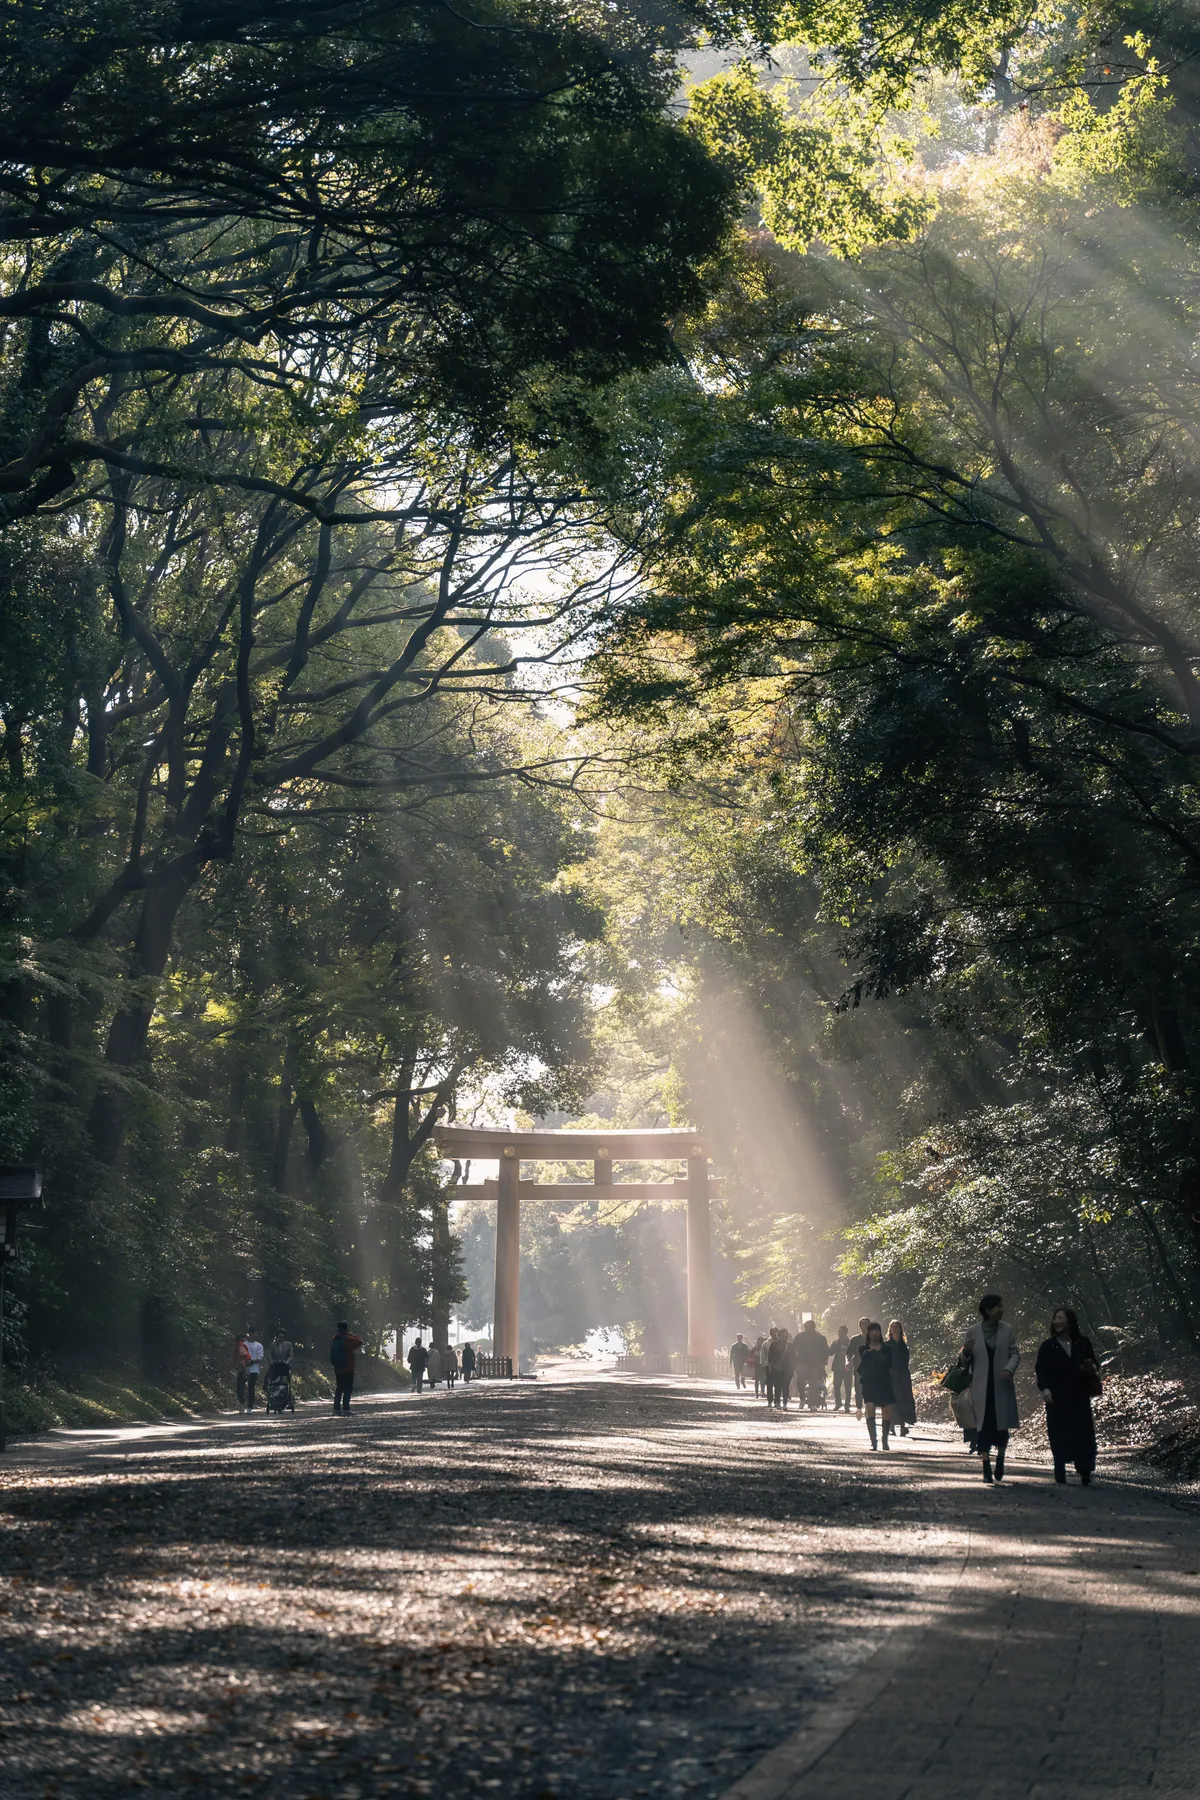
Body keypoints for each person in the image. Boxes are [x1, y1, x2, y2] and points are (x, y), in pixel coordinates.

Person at [1035, 1307, 1100, 1486]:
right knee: (1058, 1432)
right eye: (1055, 1318)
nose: (1056, 1321)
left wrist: (1090, 1368)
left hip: (1079, 1395)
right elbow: (1041, 1370)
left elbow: (1094, 1362)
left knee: (1083, 1432)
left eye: (1060, 1318)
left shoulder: (1083, 1342)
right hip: (1057, 1397)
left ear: (1070, 1322)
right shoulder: (1048, 1346)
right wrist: (1045, 1389)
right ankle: (1059, 1465)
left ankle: (1085, 1469)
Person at [963, 1294, 1021, 1483]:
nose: (1002, 1309)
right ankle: (986, 1467)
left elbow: (1015, 1354)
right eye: (998, 1307)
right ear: (988, 1310)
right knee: (984, 1425)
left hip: (1001, 1384)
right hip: (981, 1387)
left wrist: (1009, 1368)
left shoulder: (1007, 1329)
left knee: (1001, 1424)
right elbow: (964, 1362)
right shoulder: (973, 1331)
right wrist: (966, 1352)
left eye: (1002, 1306)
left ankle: (1001, 1458)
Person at [858, 1322, 895, 1450]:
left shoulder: (888, 1349)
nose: (875, 1333)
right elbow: (861, 1366)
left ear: (880, 1332)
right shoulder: (862, 1349)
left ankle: (885, 1440)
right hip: (869, 1383)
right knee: (870, 1408)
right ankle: (873, 1441)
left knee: (887, 1412)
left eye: (877, 1330)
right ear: (868, 1333)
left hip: (884, 1382)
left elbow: (890, 1364)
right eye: (872, 1330)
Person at [887, 1320, 916, 1437]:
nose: (894, 1329)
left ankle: (903, 1426)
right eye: (892, 1327)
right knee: (892, 1400)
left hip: (903, 1375)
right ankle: (892, 1425)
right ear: (890, 1330)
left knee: (904, 1399)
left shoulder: (904, 1345)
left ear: (900, 1329)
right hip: (890, 1375)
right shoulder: (887, 1345)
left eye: (897, 1327)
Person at [794, 1318, 830, 1409]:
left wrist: (824, 1361)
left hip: (814, 1364)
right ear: (805, 1327)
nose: (809, 1329)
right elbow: (794, 1349)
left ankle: (812, 1403)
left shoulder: (820, 1338)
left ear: (814, 1327)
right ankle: (802, 1399)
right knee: (800, 1383)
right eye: (807, 1327)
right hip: (802, 1363)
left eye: (811, 1327)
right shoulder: (800, 1337)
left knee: (813, 1384)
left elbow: (825, 1350)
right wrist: (795, 1361)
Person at [330, 1319, 363, 1415]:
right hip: (348, 1367)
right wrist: (352, 1334)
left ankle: (336, 1410)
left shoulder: (335, 1339)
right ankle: (346, 1409)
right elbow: (359, 1342)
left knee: (339, 1388)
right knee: (348, 1388)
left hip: (338, 1368)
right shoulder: (348, 1339)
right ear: (346, 1329)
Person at [847, 1315, 873, 1419]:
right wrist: (848, 1362)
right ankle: (859, 1407)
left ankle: (868, 1407)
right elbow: (849, 1353)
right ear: (860, 1326)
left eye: (866, 1324)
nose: (864, 1326)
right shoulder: (855, 1339)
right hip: (858, 1367)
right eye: (862, 1324)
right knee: (859, 1389)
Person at [830, 1326, 853, 1413]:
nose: (839, 1333)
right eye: (838, 1331)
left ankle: (847, 1405)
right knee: (836, 1386)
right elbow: (831, 1352)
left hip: (847, 1367)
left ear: (845, 1332)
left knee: (848, 1387)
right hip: (837, 1367)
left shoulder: (850, 1342)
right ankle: (838, 1403)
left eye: (841, 1331)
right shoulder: (836, 1342)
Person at [242, 1326, 264, 1412]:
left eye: (257, 1333)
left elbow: (260, 1356)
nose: (257, 1335)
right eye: (256, 1333)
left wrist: (252, 1361)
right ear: (250, 1333)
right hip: (244, 1368)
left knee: (251, 1388)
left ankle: (250, 1406)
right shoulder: (244, 1344)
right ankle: (242, 1403)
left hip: (254, 1369)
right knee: (241, 1387)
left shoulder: (259, 1345)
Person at [233, 1333, 252, 1412]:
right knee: (240, 1388)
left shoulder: (241, 1346)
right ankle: (242, 1403)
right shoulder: (240, 1346)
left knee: (240, 1388)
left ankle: (243, 1403)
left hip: (243, 1370)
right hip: (241, 1369)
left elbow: (246, 1357)